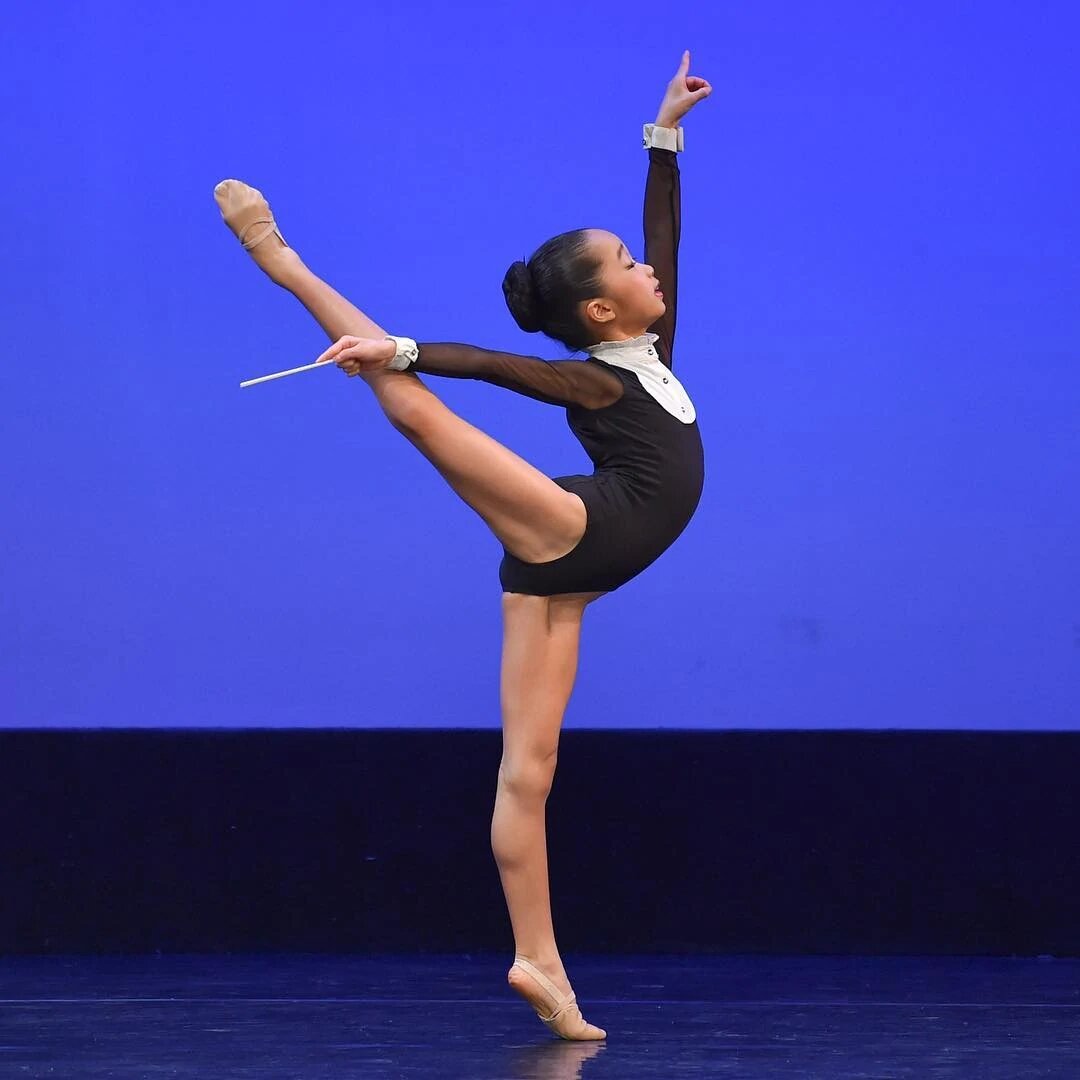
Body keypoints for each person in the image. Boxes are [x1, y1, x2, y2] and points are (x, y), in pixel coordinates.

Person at [214, 50, 712, 1040]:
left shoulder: (648, 348)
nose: (648, 267)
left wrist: (665, 134)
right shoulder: (598, 379)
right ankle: (288, 266)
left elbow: (668, 235)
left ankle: (541, 962)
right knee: (421, 415)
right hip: (584, 529)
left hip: (566, 582)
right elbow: (496, 367)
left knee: (529, 769)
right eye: (626, 265)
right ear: (601, 311)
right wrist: (399, 349)